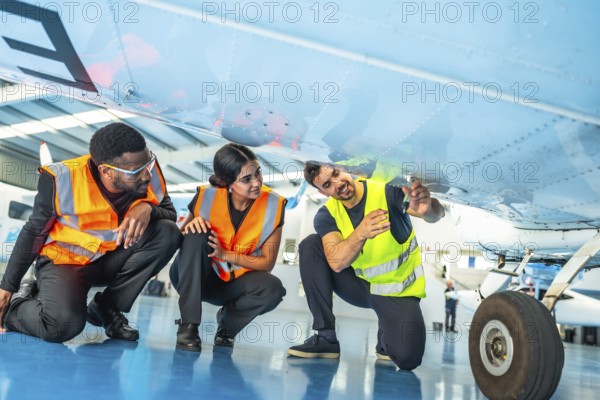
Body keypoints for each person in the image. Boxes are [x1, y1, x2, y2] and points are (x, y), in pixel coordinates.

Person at [0, 122, 182, 342]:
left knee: (167, 232)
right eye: (136, 172)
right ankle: (19, 302)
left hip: (111, 257)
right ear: (105, 170)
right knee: (61, 327)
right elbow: (34, 231)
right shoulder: (61, 178)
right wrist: (7, 287)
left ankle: (106, 308)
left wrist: (148, 208)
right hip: (66, 262)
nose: (146, 176)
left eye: (149, 164)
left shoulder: (146, 169)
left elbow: (169, 213)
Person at [287, 161, 445, 371]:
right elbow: (336, 262)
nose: (338, 183)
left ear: (345, 168)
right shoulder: (327, 215)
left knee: (408, 360)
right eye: (327, 184)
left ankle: (386, 336)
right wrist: (361, 232)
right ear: (322, 192)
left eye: (336, 173)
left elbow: (436, 215)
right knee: (311, 246)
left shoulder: (386, 189)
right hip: (359, 287)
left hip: (397, 292)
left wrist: (428, 209)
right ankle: (326, 338)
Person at [170, 143, 287, 352]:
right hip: (193, 277)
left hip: (232, 287)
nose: (257, 182)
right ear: (228, 183)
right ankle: (188, 326)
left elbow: (267, 262)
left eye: (258, 173)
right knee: (197, 234)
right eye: (246, 179)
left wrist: (226, 254)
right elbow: (178, 240)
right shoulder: (206, 196)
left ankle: (227, 327)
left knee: (273, 288)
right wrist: (189, 226)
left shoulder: (274, 205)